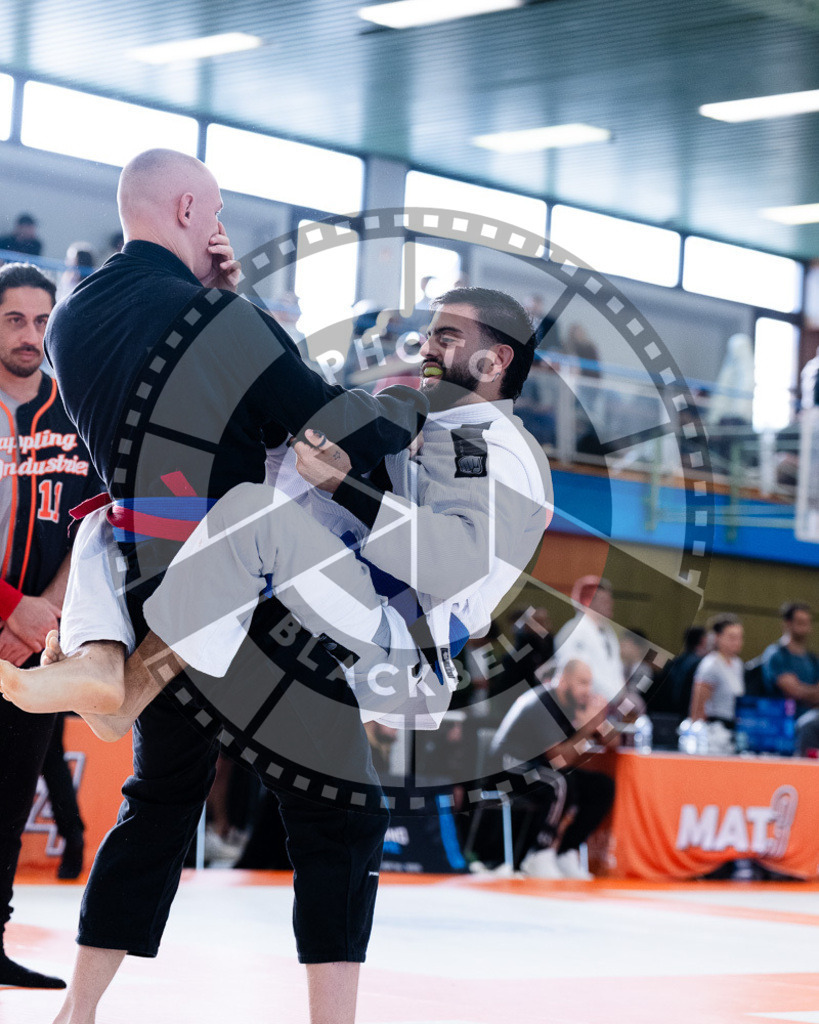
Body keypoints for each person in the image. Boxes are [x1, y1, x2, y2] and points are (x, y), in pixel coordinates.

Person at [1, 148, 426, 1024]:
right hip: (246, 579)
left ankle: (75, 1013)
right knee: (339, 810)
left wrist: (230, 306)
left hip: (139, 575)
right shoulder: (218, 320)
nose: (222, 228)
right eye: (218, 210)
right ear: (191, 207)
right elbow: (312, 415)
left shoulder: (76, 318)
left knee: (160, 800)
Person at [5, 287, 552, 735]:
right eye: (429, 334)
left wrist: (345, 488)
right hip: (360, 583)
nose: (428, 348)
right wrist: (229, 304)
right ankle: (96, 658)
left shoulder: (489, 445)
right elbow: (316, 408)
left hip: (402, 640)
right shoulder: (442, 425)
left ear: (497, 358)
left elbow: (456, 561)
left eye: (448, 337)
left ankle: (124, 702)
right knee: (116, 512)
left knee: (256, 512)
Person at [0, 262, 98, 989]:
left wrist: (43, 614)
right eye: (14, 320)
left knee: (10, 792)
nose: (30, 336)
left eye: (40, 321)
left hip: (35, 645)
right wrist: (11, 607)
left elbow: (93, 525)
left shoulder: (73, 413)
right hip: (14, 620)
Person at [490, 659, 615, 879]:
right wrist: (586, 730)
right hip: (508, 766)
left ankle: (565, 851)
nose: (588, 690)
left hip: (540, 766)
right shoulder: (543, 702)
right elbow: (560, 760)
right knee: (559, 782)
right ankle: (539, 853)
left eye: (590, 684)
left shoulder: (575, 703)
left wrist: (601, 722)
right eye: (582, 683)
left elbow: (613, 742)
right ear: (564, 681)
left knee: (601, 786)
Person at [553, 576, 627, 701]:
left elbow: (615, 669)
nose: (611, 603)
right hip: (585, 703)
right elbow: (578, 676)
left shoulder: (608, 632)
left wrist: (620, 695)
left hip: (608, 703)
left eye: (610, 599)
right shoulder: (574, 631)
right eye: (604, 600)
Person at [761, 602, 819, 756]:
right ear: (788, 623)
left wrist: (802, 689)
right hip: (781, 725)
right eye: (800, 623)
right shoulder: (776, 655)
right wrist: (810, 691)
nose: (804, 627)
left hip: (811, 727)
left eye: (807, 623)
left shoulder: (812, 659)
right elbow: (792, 691)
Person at [689, 614, 745, 725]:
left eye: (740, 637)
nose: (737, 642)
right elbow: (697, 709)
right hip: (713, 730)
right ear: (718, 637)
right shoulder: (710, 665)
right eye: (732, 637)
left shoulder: (738, 664)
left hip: (732, 728)